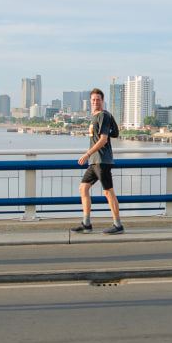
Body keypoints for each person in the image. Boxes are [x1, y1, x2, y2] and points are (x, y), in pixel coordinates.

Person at [73, 88, 123, 235]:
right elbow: (116, 132)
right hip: (94, 162)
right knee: (83, 188)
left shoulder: (103, 115)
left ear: (102, 101)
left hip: (102, 161)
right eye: (93, 100)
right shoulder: (95, 116)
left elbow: (103, 139)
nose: (95, 102)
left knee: (108, 192)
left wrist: (87, 154)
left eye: (98, 99)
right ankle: (86, 223)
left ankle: (118, 225)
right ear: (90, 101)